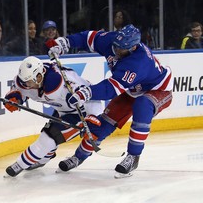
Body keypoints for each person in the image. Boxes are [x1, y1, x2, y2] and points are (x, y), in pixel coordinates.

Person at [46, 24, 173, 178]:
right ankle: (79, 157)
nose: (116, 51)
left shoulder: (138, 63)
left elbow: (110, 89)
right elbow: (88, 37)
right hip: (131, 90)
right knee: (103, 123)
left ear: (132, 48)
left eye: (121, 50)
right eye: (116, 47)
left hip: (158, 90)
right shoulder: (115, 41)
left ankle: (133, 157)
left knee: (142, 105)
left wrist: (87, 93)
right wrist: (65, 43)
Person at [3, 56, 103, 177]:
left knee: (49, 138)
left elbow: (93, 98)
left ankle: (20, 164)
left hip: (80, 113)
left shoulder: (65, 83)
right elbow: (19, 90)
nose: (26, 85)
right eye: (24, 81)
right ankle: (43, 159)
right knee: (49, 133)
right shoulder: (27, 81)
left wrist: (93, 118)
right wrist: (15, 98)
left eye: (29, 81)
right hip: (62, 110)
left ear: (39, 76)